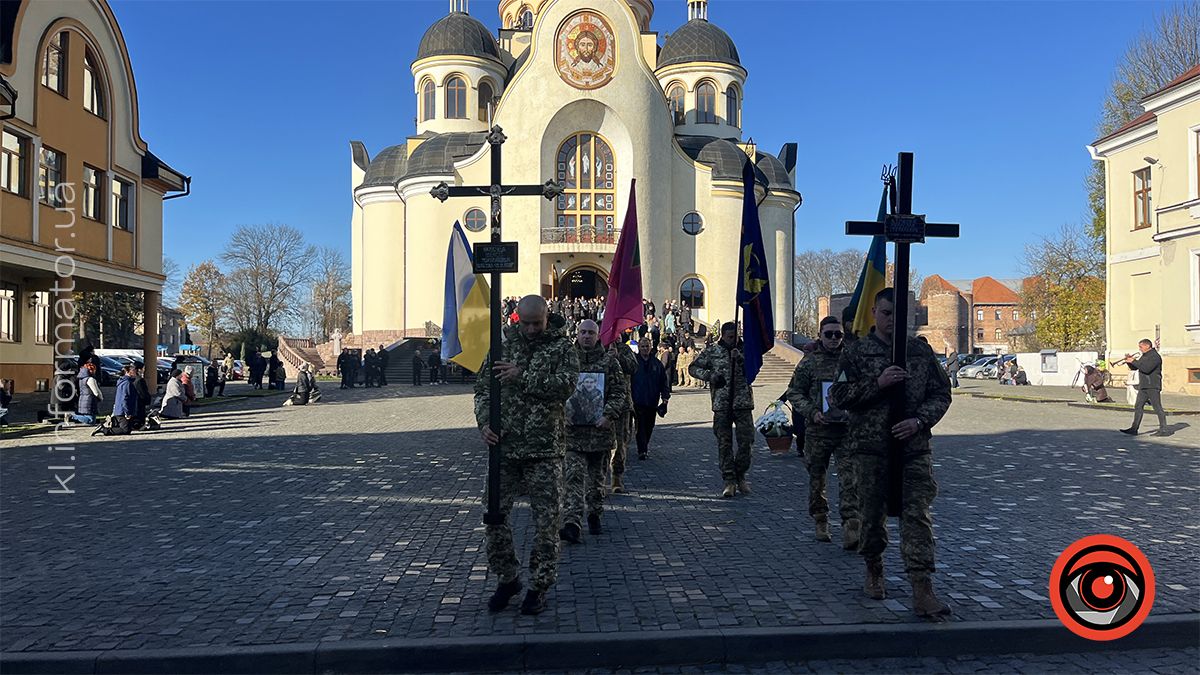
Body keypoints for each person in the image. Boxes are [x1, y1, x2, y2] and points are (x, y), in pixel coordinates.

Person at [830, 287, 952, 619]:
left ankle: (922, 588)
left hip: (913, 449)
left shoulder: (919, 352)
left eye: (900, 315)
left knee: (918, 517)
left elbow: (941, 393)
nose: (893, 321)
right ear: (874, 313)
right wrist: (878, 384)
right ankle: (873, 568)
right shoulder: (857, 353)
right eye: (886, 314)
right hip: (870, 449)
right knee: (871, 516)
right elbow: (837, 396)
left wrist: (919, 420)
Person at [475, 295, 579, 616]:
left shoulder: (562, 349)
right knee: (493, 516)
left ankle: (538, 585)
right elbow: (482, 389)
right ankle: (508, 578)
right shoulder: (502, 346)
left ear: (547, 317)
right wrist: (485, 422)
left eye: (538, 323)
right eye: (527, 323)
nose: (532, 329)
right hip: (504, 449)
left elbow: (566, 386)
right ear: (518, 318)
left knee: (546, 523)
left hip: (544, 450)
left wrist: (524, 376)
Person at [787, 316, 858, 546]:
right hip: (818, 432)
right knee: (817, 480)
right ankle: (820, 519)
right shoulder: (809, 362)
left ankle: (850, 524)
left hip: (846, 431)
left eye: (838, 334)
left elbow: (863, 389)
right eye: (829, 334)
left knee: (850, 479)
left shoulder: (852, 361)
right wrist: (812, 412)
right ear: (820, 335)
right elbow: (794, 392)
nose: (834, 339)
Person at [561, 320, 627, 544]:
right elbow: (557, 390)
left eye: (590, 332)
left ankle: (595, 513)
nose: (586, 336)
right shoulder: (566, 360)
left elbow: (620, 393)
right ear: (577, 334)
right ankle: (571, 522)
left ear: (598, 335)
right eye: (582, 332)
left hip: (600, 434)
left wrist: (608, 415)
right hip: (573, 434)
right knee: (572, 478)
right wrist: (562, 413)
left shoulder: (609, 362)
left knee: (596, 481)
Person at [690, 322, 756, 499]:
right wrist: (710, 376)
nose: (733, 340)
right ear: (723, 335)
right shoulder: (713, 351)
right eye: (729, 337)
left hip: (742, 403)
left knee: (746, 442)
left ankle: (740, 474)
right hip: (722, 403)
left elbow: (755, 369)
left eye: (736, 336)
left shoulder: (747, 350)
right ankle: (729, 479)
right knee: (724, 444)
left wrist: (740, 358)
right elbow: (693, 368)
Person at [630, 338, 671, 461]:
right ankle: (642, 450)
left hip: (652, 400)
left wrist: (665, 398)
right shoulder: (634, 363)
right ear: (639, 348)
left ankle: (645, 445)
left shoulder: (657, 364)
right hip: (637, 400)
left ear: (651, 347)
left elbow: (664, 382)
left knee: (649, 426)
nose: (645, 349)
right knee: (640, 426)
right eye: (642, 346)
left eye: (647, 346)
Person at [609, 335, 639, 493]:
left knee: (620, 442)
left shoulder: (624, 349)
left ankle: (617, 476)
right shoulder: (595, 349)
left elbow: (634, 367)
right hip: (596, 403)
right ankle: (597, 479)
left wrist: (618, 356)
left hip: (622, 404)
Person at [1120, 339, 1168, 437]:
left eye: (1141, 347)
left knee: (1157, 407)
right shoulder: (1144, 356)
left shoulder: (1155, 357)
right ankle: (1134, 429)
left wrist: (1134, 361)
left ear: (1147, 346)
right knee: (1138, 406)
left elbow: (1146, 369)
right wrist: (1129, 361)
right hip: (1144, 385)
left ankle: (1163, 429)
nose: (1139, 349)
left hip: (1153, 386)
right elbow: (1136, 368)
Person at [103, 365, 140, 435]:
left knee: (127, 428)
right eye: (134, 371)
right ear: (128, 372)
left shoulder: (124, 382)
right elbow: (125, 398)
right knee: (125, 430)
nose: (136, 373)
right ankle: (105, 430)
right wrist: (127, 412)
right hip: (122, 411)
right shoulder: (127, 383)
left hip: (120, 410)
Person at [72, 361, 102, 425]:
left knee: (90, 419)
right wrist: (100, 397)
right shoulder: (90, 379)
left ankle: (75, 417)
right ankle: (73, 416)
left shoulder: (81, 379)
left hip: (83, 399)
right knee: (91, 420)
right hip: (90, 400)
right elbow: (96, 392)